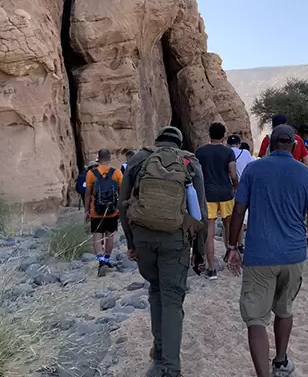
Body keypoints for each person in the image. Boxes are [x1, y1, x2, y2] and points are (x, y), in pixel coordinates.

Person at [227, 124, 308, 377]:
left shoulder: (253, 169)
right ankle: (281, 361)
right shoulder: (307, 175)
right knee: (284, 310)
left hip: (260, 255)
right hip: (293, 256)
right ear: (294, 146)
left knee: (256, 319)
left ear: (270, 144)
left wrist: (232, 247)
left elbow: (238, 210)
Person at [119, 126, 208, 377]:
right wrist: (199, 252)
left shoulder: (139, 159)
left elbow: (122, 203)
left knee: (156, 291)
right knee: (171, 299)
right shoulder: (190, 162)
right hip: (175, 240)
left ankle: (159, 357)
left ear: (157, 140)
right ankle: (171, 367)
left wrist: (131, 242)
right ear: (179, 143)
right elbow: (200, 210)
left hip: (144, 238)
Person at [195, 122, 239, 280]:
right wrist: (235, 186)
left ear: (209, 134)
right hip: (226, 193)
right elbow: (233, 174)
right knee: (229, 226)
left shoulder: (200, 151)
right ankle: (230, 257)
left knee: (210, 232)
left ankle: (211, 268)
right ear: (223, 135)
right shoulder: (228, 152)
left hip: (208, 195)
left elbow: (196, 173)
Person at [84, 149, 123, 277]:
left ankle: (101, 261)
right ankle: (106, 260)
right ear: (110, 157)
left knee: (97, 236)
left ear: (98, 158)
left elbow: (88, 193)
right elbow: (121, 192)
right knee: (109, 236)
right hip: (112, 211)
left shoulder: (91, 173)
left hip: (96, 211)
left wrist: (86, 211)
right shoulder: (116, 172)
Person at [227, 134, 255, 252]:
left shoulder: (226, 153)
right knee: (242, 216)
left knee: (229, 218)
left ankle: (229, 245)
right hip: (244, 187)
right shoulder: (245, 153)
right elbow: (252, 167)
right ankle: (239, 244)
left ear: (228, 144)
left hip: (228, 188)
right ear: (239, 144)